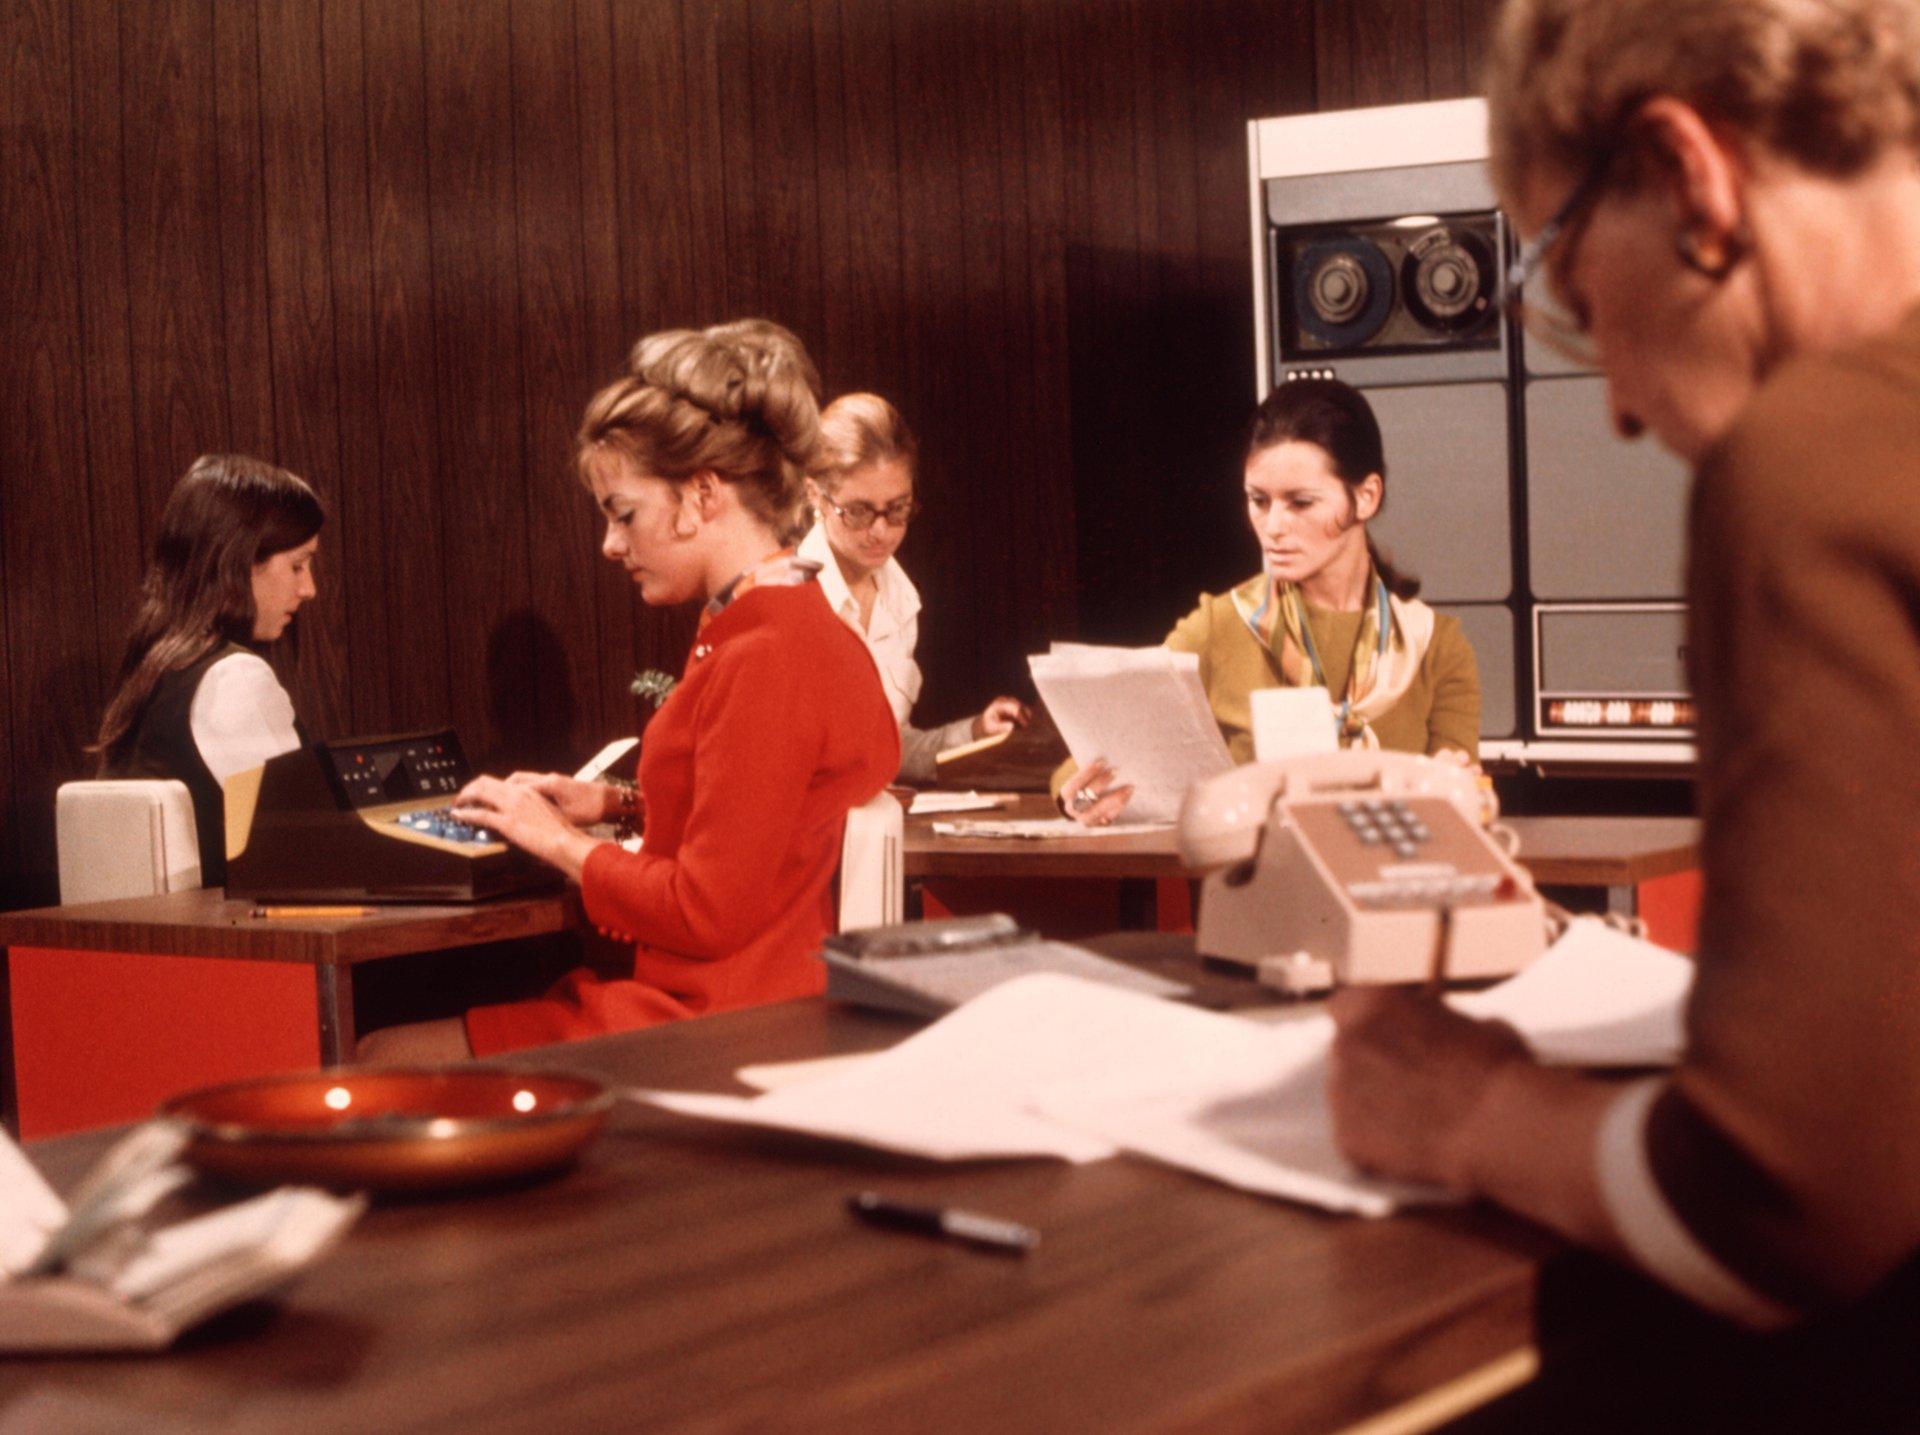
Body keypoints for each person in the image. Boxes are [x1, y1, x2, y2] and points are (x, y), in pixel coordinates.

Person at [1326, 0, 1920, 1379]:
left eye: (1582, 301)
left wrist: (1472, 1106)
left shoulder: (1813, 459)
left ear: (1687, 174)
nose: (1619, 408)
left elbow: (1789, 1202)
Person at [357, 321, 898, 1061]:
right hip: (759, 1001)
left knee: (380, 1052)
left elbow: (705, 910)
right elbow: (775, 812)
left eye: (623, 514)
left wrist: (560, 842)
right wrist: (619, 806)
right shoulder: (807, 631)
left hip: (718, 1020)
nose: (611, 545)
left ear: (702, 493)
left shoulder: (764, 656)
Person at [1057, 377, 1480, 824]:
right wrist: (1080, 800)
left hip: (1391, 882)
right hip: (1256, 884)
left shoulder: (1434, 645)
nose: (1273, 526)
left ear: (1366, 497)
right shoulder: (1219, 627)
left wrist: (1457, 786)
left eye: (1300, 503)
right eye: (1259, 500)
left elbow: (1462, 800)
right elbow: (1090, 761)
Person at [93, 454, 322, 886]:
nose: (308, 588)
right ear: (241, 560)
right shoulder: (232, 679)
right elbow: (309, 847)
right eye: (297, 565)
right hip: (230, 947)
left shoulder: (158, 668)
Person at [798, 393, 1029, 783]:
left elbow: (887, 750)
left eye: (897, 508)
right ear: (814, 496)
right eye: (857, 512)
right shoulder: (789, 596)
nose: (881, 531)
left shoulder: (899, 600)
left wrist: (974, 735)